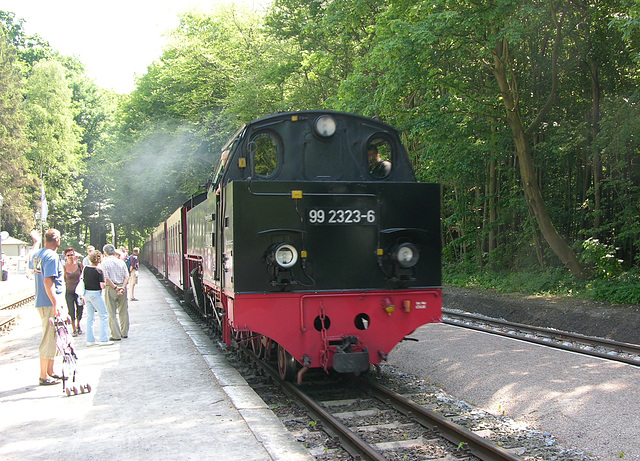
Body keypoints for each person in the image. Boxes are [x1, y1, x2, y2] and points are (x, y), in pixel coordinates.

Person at [29, 229, 65, 386]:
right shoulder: (51, 256)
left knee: (53, 337)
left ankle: (50, 371)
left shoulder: (39, 255)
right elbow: (48, 282)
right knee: (48, 339)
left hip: (43, 301)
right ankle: (44, 376)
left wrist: (35, 242)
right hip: (49, 303)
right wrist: (55, 303)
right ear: (57, 240)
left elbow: (31, 262)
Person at [81, 250, 113, 346]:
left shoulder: (86, 268)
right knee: (104, 315)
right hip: (96, 294)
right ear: (99, 259)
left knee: (90, 317)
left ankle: (90, 340)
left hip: (87, 294)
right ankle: (103, 339)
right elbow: (102, 285)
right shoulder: (99, 271)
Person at [101, 244, 129, 340]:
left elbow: (106, 277)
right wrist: (123, 287)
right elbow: (126, 276)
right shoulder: (121, 262)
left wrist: (115, 287)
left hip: (111, 288)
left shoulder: (105, 263)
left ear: (105, 253)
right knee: (123, 311)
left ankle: (116, 335)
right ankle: (124, 332)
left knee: (111, 312)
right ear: (114, 252)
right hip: (122, 287)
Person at [63, 248, 84, 336]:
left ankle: (78, 325)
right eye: (68, 255)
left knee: (80, 309)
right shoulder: (64, 267)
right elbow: (64, 278)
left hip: (78, 291)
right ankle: (73, 328)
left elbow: (83, 277)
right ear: (65, 257)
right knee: (71, 310)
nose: (70, 257)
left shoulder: (79, 265)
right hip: (69, 291)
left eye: (72, 255)